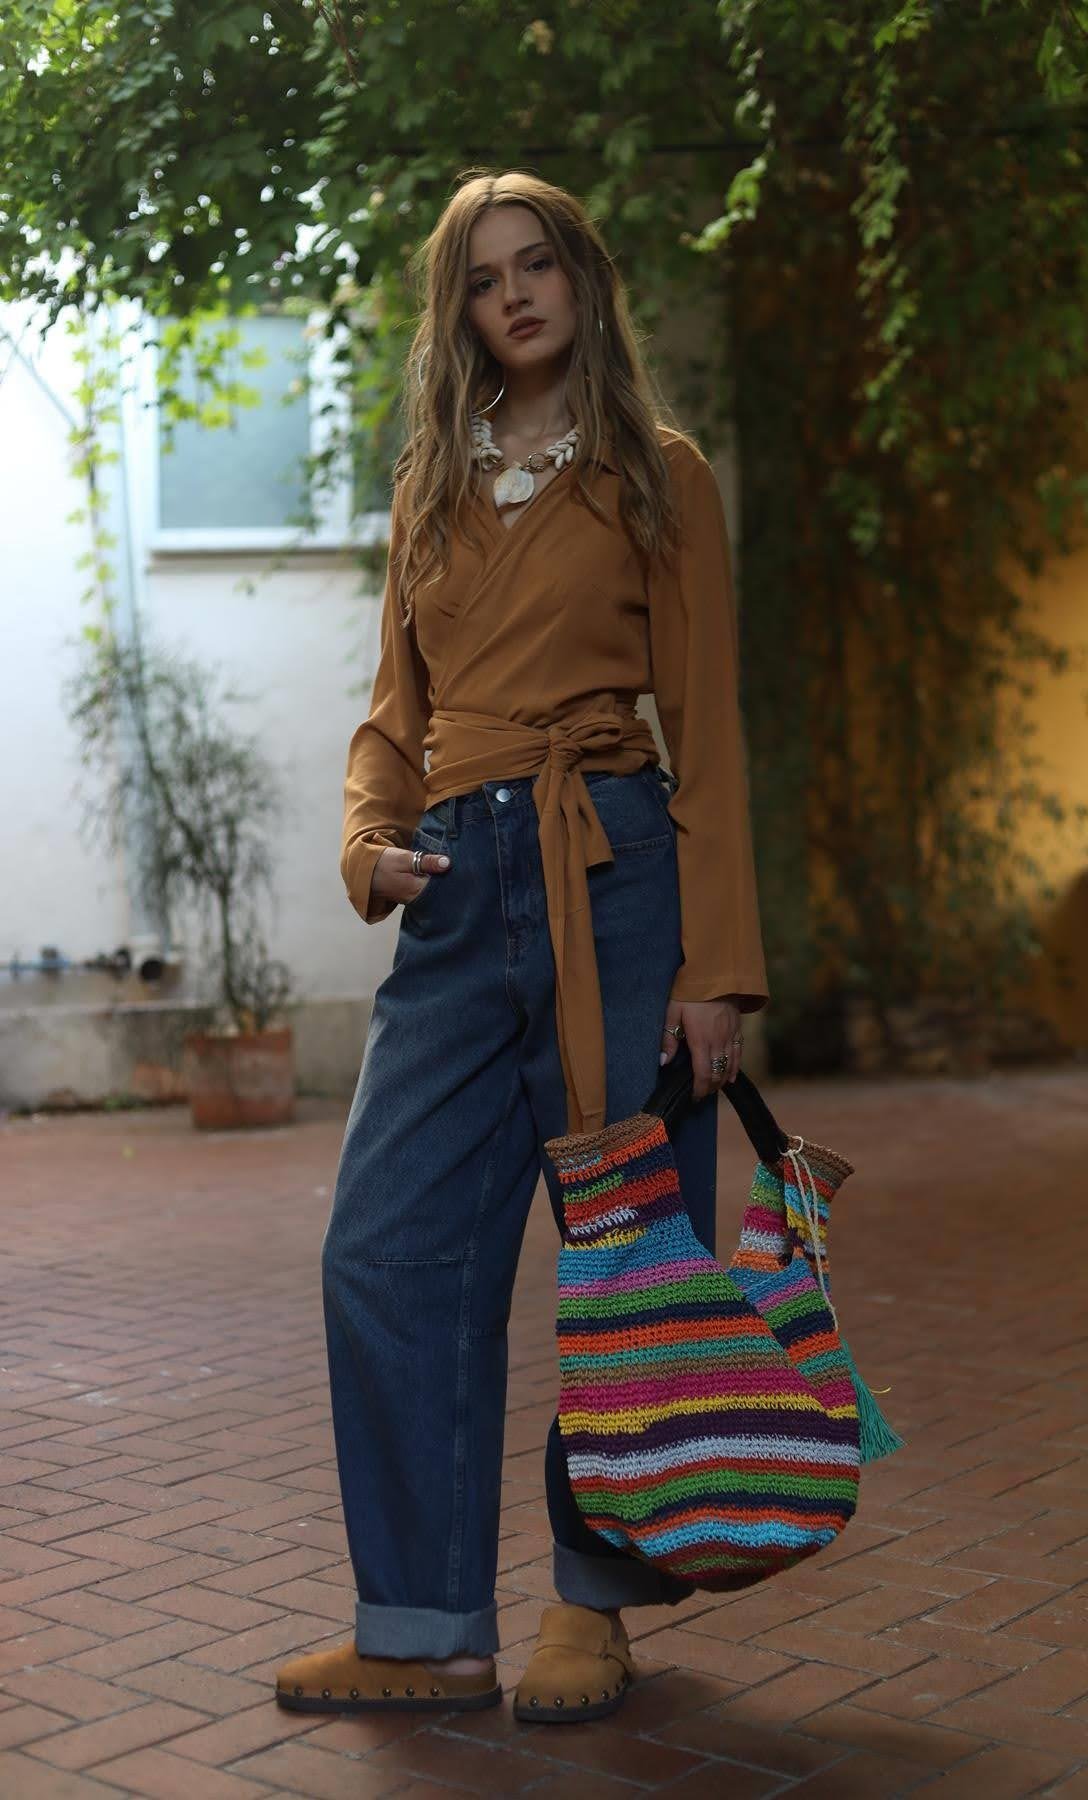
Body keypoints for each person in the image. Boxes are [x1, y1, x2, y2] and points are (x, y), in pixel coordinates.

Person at [275, 169, 769, 1725]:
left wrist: (717, 971)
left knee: (626, 1252)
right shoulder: (431, 485)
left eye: (537, 263)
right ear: (461, 311)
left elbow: (707, 729)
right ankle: (425, 1629)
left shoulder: (656, 475)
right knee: (384, 1246)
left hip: (611, 873)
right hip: (453, 890)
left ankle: (594, 1606)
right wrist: (368, 843)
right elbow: (393, 713)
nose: (516, 295)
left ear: (582, 279)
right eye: (485, 278)